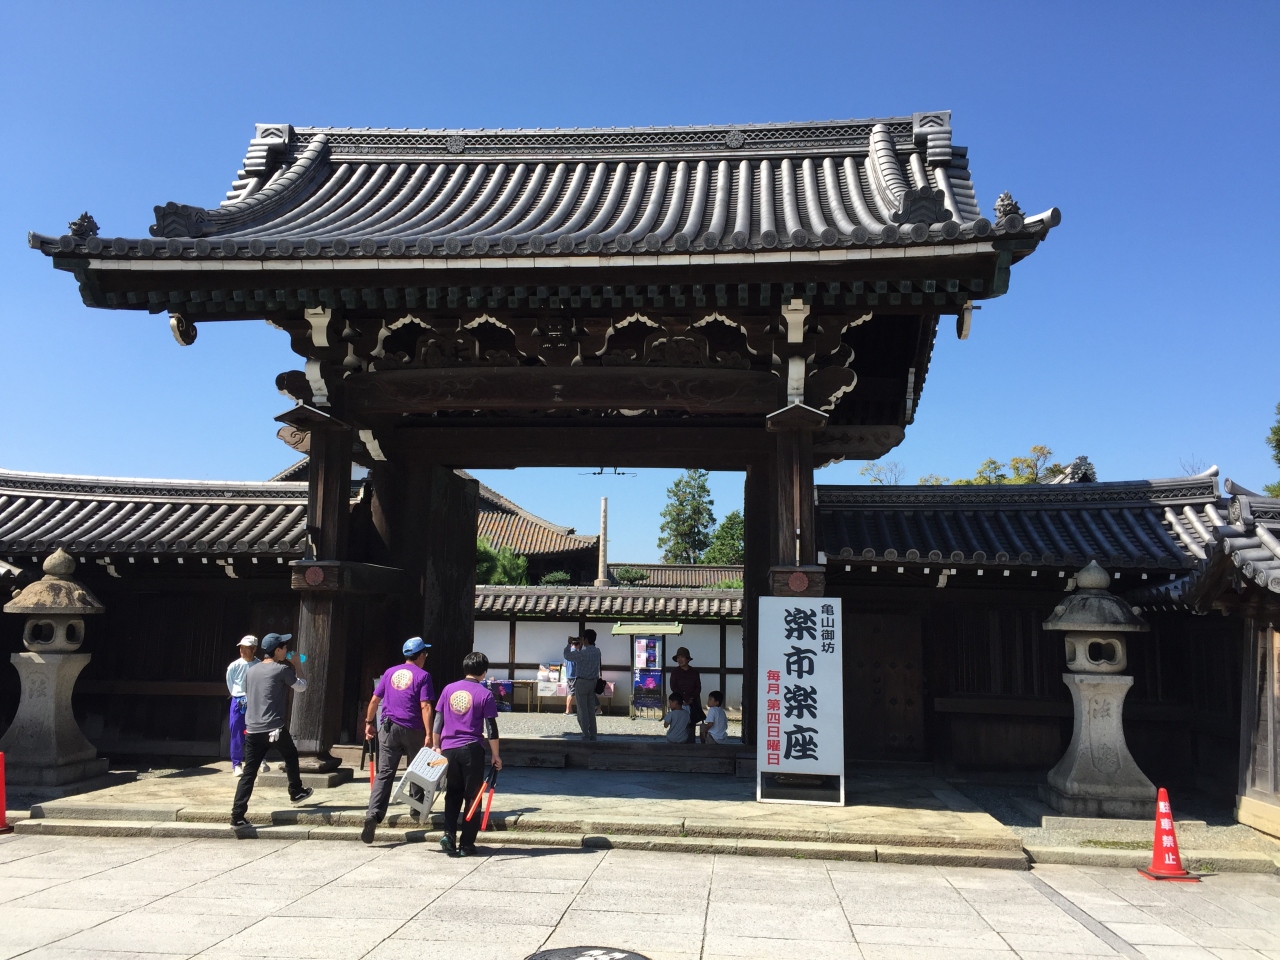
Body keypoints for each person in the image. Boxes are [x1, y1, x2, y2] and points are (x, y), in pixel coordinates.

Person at [230, 632, 313, 827]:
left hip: (252, 729)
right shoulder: (281, 669)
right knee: (290, 755)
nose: (286, 651)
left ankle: (237, 815)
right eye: (284, 648)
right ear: (277, 650)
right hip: (273, 727)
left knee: (249, 773)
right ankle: (296, 791)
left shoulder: (251, 671)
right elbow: (301, 687)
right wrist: (298, 665)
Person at [361, 637, 435, 844]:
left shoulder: (390, 673)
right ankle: (415, 807)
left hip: (388, 727)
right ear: (420, 655)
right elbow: (425, 706)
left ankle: (373, 814)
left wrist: (369, 723)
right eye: (425, 654)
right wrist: (429, 733)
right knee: (417, 767)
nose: (425, 657)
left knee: (385, 773)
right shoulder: (423, 676)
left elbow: (374, 700)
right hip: (413, 728)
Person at [433, 651, 502, 857]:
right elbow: (491, 728)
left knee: (452, 793)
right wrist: (495, 755)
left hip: (448, 749)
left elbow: (438, 720)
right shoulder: (485, 694)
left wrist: (436, 745)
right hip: (472, 749)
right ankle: (466, 844)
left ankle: (449, 835)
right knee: (473, 796)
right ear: (484, 672)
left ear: (465, 668)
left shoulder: (448, 689)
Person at [225, 635, 270, 777]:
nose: (242, 651)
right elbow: (230, 683)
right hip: (239, 700)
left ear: (254, 649)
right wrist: (238, 695)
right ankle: (237, 764)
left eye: (246, 648)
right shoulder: (234, 666)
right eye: (241, 648)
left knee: (259, 732)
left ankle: (261, 760)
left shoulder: (260, 665)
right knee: (237, 732)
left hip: (256, 701)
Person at [563, 629, 602, 741]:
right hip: (593, 682)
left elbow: (567, 655)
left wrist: (569, 643)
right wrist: (581, 645)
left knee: (582, 709)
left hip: (582, 682)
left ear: (586, 639)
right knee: (591, 710)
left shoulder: (583, 654)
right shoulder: (597, 652)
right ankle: (593, 733)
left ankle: (585, 733)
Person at [669, 646, 704, 730]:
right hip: (679, 702)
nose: (680, 660)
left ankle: (691, 738)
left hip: (692, 702)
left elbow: (698, 687)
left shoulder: (694, 672)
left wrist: (691, 698)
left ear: (687, 659)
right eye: (678, 657)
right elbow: (673, 686)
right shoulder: (675, 672)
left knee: (691, 725)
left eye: (682, 657)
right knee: (678, 725)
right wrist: (683, 697)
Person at [563, 646, 576, 715]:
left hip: (568, 675)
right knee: (571, 693)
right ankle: (567, 710)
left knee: (569, 693)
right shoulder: (576, 654)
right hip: (574, 676)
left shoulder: (567, 654)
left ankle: (570, 710)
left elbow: (564, 664)